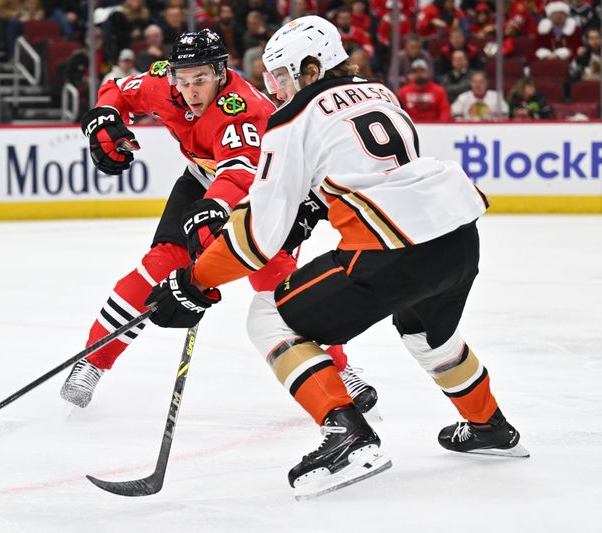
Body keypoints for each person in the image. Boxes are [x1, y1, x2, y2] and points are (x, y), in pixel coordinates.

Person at [144, 16, 528, 500]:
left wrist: (196, 281)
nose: (276, 90)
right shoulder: (380, 93)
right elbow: (369, 170)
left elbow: (256, 237)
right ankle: (489, 426)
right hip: (456, 238)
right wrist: (313, 203)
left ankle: (347, 433)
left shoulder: (292, 118)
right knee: (428, 334)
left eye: (281, 76)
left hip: (391, 252)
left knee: (270, 318)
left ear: (310, 68)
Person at [59, 29, 378, 416]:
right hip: (202, 180)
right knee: (158, 267)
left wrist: (214, 210)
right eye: (184, 80)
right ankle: (93, 360)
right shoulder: (164, 83)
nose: (191, 90)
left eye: (201, 80)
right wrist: (105, 116)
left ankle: (341, 370)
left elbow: (241, 175)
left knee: (279, 286)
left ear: (221, 72)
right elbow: (118, 89)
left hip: (261, 190)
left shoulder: (244, 109)